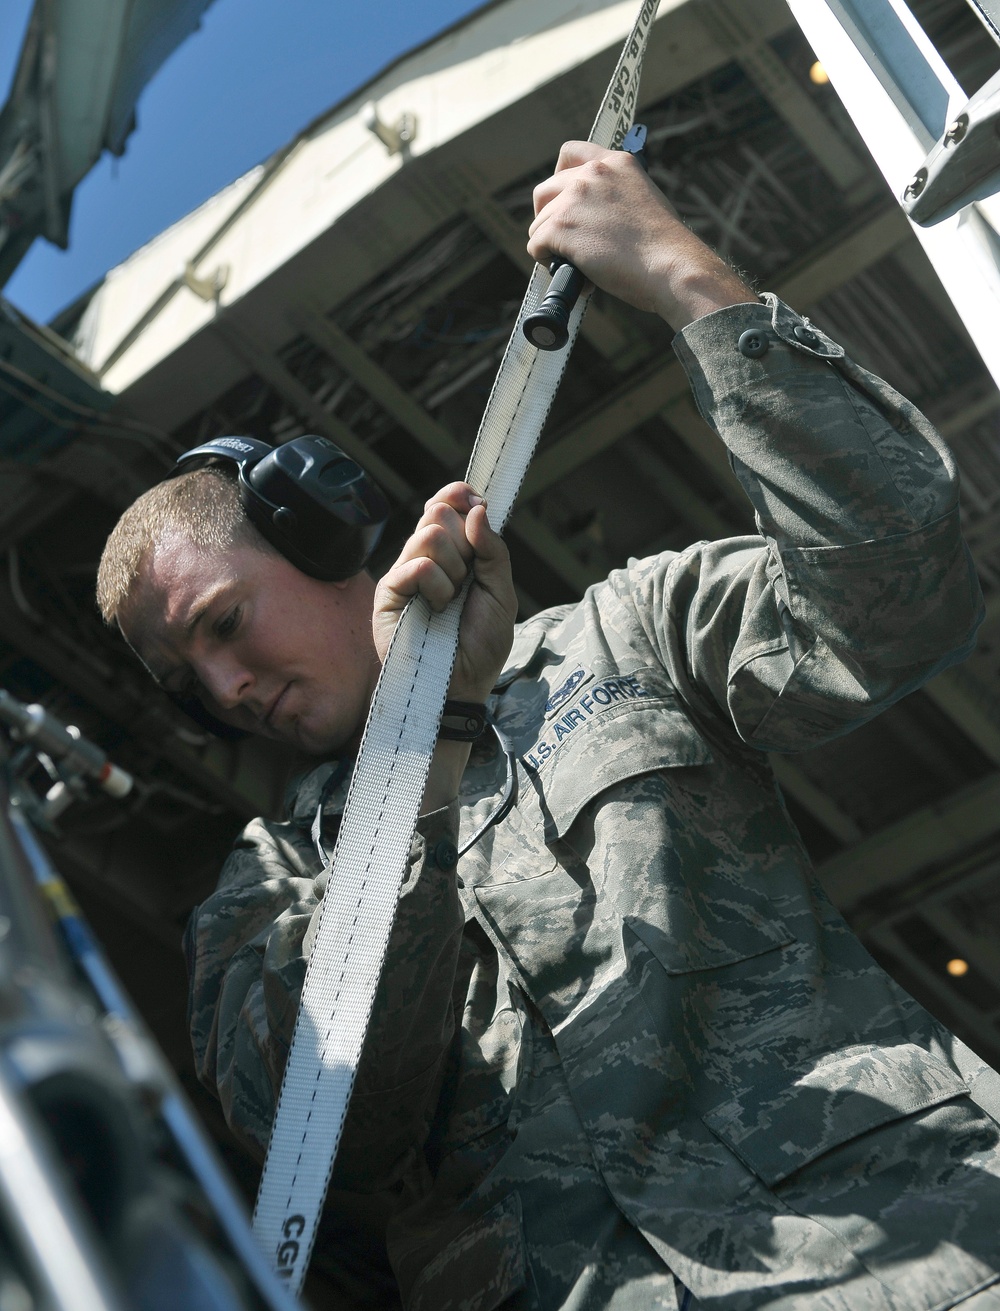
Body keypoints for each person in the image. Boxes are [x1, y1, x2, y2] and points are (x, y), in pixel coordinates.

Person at [96, 142, 1000, 1311]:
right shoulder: (262, 894)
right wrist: (425, 749)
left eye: (223, 623)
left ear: (321, 535)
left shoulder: (625, 634)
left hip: (922, 1255)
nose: (223, 690)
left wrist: (684, 279)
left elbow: (899, 597)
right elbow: (332, 1132)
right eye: (187, 678)